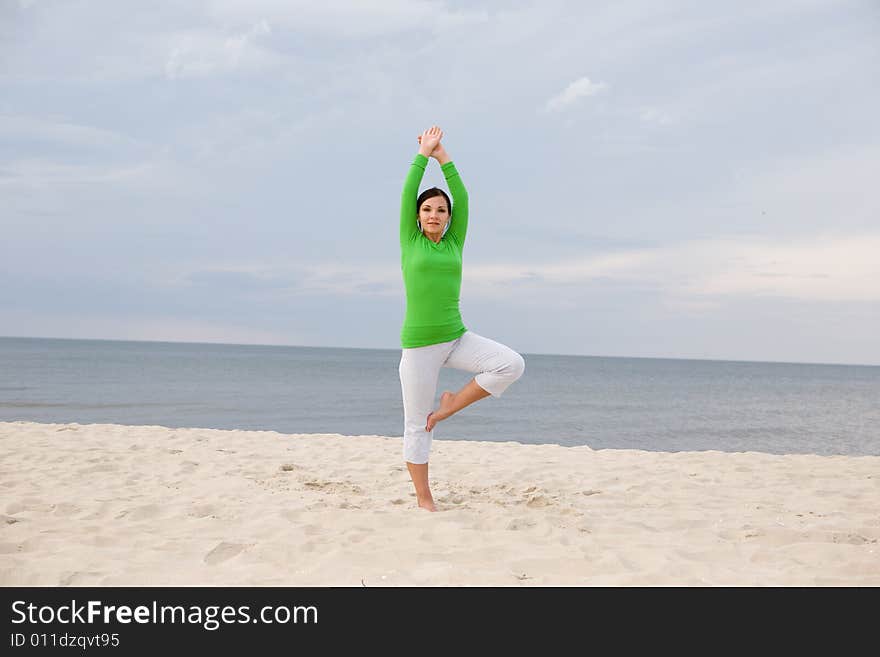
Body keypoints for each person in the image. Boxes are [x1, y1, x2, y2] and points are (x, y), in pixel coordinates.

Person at [398, 125, 525, 512]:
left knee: (510, 364)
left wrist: (444, 159)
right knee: (418, 426)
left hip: (455, 337)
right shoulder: (411, 240)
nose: (434, 214)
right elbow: (407, 192)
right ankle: (424, 499)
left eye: (441, 210)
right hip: (420, 346)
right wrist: (423, 155)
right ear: (417, 217)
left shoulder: (455, 241)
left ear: (449, 218)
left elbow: (464, 198)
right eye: (427, 209)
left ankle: (451, 405)